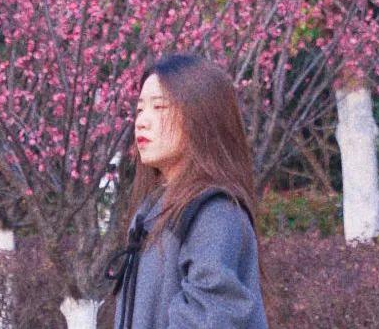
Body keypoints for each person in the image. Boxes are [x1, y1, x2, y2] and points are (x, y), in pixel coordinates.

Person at [110, 53, 270, 329]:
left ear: (201, 116)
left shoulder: (215, 214)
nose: (141, 122)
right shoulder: (150, 214)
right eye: (139, 110)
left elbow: (210, 318)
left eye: (159, 108)